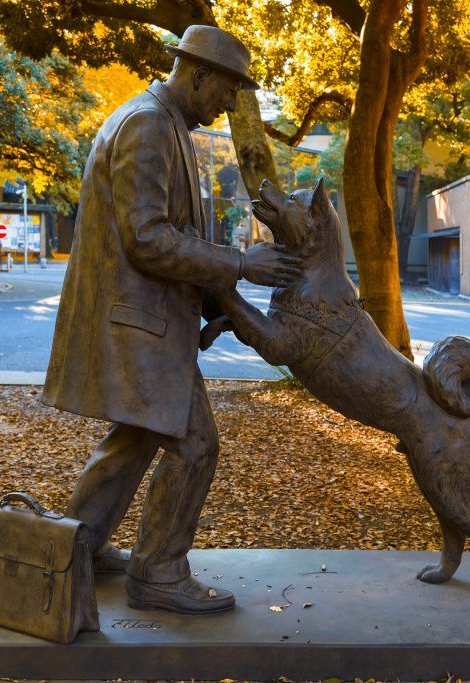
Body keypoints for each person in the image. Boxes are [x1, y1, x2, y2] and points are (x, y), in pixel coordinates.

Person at [42, 25, 300, 615]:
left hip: (150, 320)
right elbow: (147, 238)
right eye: (229, 89)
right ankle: (158, 570)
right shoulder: (149, 125)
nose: (231, 103)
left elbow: (170, 235)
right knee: (194, 444)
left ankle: (74, 546)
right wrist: (239, 263)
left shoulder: (167, 124)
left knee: (134, 439)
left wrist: (214, 305)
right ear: (199, 73)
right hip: (140, 324)